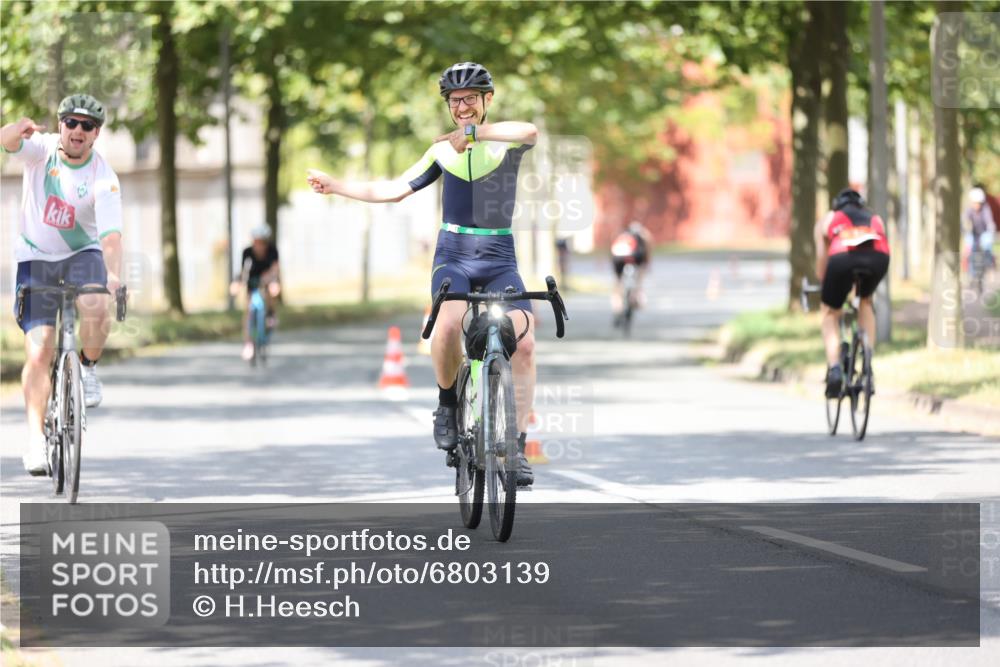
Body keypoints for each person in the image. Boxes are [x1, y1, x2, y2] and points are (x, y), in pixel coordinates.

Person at [306, 62, 539, 486]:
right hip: (454, 255)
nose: (462, 107)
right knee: (447, 325)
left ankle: (517, 447)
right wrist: (336, 185)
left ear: (487, 100)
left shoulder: (503, 142)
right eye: (455, 101)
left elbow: (530, 130)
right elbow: (393, 190)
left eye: (470, 99)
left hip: (500, 257)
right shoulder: (441, 152)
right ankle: (447, 404)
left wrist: (474, 134)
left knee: (524, 343)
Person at [1, 94, 123, 475]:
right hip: (36, 257)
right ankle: (36, 440)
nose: (78, 130)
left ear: (96, 134)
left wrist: (113, 276)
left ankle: (86, 367)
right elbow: (6, 142)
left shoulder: (103, 176)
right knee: (39, 352)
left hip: (81, 254)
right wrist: (14, 129)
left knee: (97, 303)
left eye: (87, 126)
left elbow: (110, 236)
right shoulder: (40, 150)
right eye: (71, 122)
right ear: (61, 125)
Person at [813, 189, 890, 398]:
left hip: (842, 258)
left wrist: (826, 286)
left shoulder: (829, 218)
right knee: (865, 301)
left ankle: (835, 369)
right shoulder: (875, 218)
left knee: (829, 311)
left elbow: (822, 265)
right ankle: (867, 364)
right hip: (878, 258)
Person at [230, 225, 281, 361]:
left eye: (261, 242)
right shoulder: (247, 252)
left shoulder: (272, 251)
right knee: (248, 310)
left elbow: (275, 269)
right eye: (256, 242)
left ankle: (271, 313)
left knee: (272, 290)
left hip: (267, 281)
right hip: (252, 283)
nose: (258, 245)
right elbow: (243, 271)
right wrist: (237, 283)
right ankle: (248, 343)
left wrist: (272, 280)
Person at [610, 221, 652, 323]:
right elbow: (648, 247)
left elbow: (612, 246)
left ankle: (617, 308)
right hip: (637, 257)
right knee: (639, 278)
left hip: (618, 258)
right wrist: (647, 263)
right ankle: (637, 294)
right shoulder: (643, 234)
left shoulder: (621, 234)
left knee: (618, 284)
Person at [964, 186, 996, 272]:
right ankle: (970, 270)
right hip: (973, 234)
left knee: (987, 244)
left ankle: (989, 266)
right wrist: (965, 227)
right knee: (969, 246)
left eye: (978, 203)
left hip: (984, 233)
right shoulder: (969, 210)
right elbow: (964, 220)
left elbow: (989, 221)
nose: (976, 205)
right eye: (975, 203)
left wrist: (991, 227)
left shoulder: (985, 209)